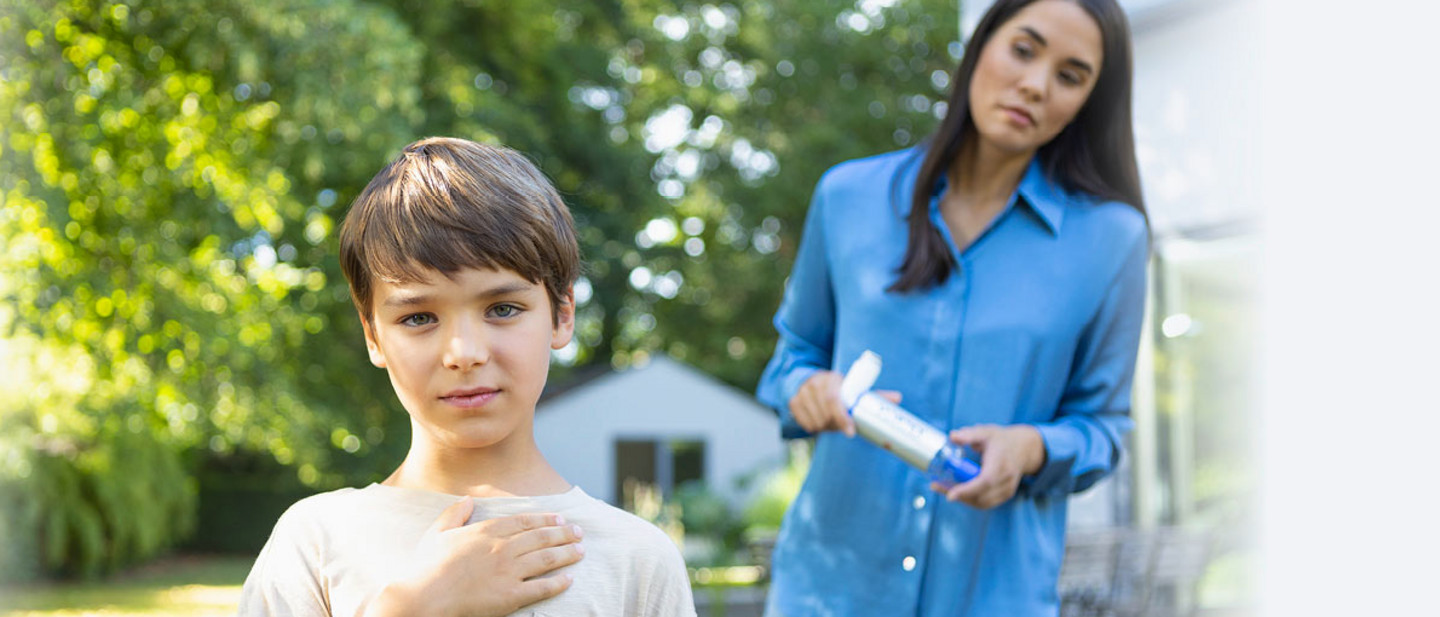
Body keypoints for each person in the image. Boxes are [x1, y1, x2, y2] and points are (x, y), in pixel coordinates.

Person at [755, 0, 1147, 615]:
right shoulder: (847, 197)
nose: (1036, 85)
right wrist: (808, 388)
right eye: (1024, 49)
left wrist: (1031, 448)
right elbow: (790, 361)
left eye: (1070, 76)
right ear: (981, 44)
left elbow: (1104, 427)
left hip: (995, 595)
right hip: (828, 591)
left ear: (1088, 101)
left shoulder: (1111, 240)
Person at [238, 137, 696, 617]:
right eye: (418, 318)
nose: (464, 353)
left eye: (502, 309)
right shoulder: (315, 542)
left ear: (562, 316)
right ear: (373, 335)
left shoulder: (638, 560)